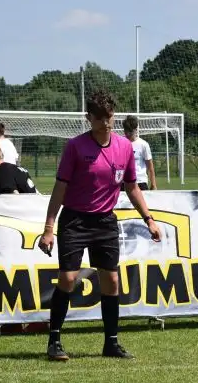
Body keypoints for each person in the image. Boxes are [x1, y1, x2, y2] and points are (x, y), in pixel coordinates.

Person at [38, 87, 161, 361]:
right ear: (88, 118)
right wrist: (49, 228)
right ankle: (54, 341)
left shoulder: (125, 147)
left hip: (105, 221)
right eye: (99, 117)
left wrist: (149, 219)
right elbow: (59, 189)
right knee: (68, 279)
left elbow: (132, 187)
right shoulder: (75, 147)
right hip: (75, 219)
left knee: (112, 280)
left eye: (109, 116)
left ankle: (111, 343)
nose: (106, 122)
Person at [123, 116, 157, 191]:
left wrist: (153, 185)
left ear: (135, 129)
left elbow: (150, 167)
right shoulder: (120, 143)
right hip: (124, 182)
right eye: (126, 131)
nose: (128, 133)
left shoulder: (143, 145)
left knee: (141, 203)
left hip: (140, 182)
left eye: (130, 131)